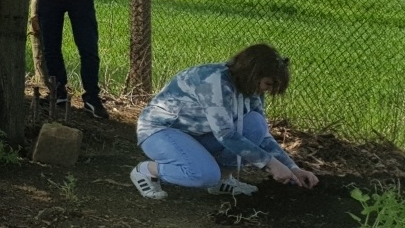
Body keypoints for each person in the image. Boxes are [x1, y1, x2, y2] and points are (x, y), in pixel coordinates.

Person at [130, 43, 320, 200]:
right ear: (252, 74)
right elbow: (226, 135)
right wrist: (270, 164)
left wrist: (292, 167)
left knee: (255, 123)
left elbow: (261, 136)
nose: (268, 91)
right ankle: (147, 170)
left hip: (201, 135)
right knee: (204, 175)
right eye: (268, 84)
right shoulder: (214, 83)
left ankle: (223, 181)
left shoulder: (251, 89)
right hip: (161, 132)